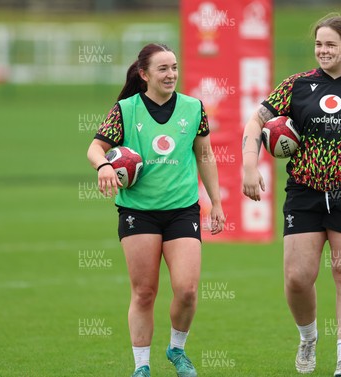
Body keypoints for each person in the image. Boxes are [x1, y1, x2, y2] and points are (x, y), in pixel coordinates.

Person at [242, 15, 341, 377]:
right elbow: (255, 122)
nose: (322, 50)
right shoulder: (297, 85)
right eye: (318, 44)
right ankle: (308, 337)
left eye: (330, 44)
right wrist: (250, 165)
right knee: (298, 277)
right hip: (305, 193)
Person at [87, 43, 225, 377]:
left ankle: (177, 349)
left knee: (188, 290)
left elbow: (205, 155)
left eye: (174, 67)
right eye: (162, 69)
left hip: (182, 211)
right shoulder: (126, 109)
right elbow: (95, 147)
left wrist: (217, 203)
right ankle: (141, 366)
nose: (171, 74)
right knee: (145, 291)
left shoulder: (193, 108)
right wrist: (104, 166)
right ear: (144, 74)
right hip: (139, 212)